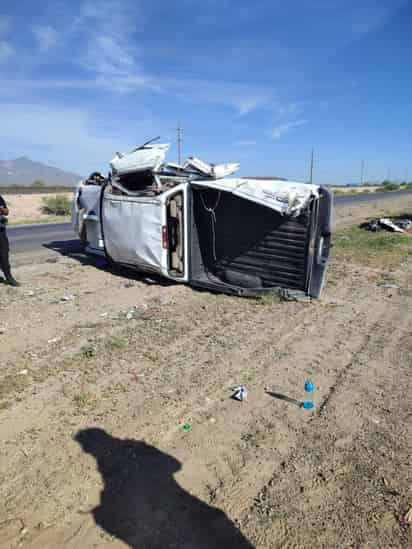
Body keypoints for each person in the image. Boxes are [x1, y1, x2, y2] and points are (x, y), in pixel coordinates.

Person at [0, 194, 19, 286]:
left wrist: (3, 210)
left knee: (4, 253)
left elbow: (6, 212)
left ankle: (9, 277)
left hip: (1, 231)